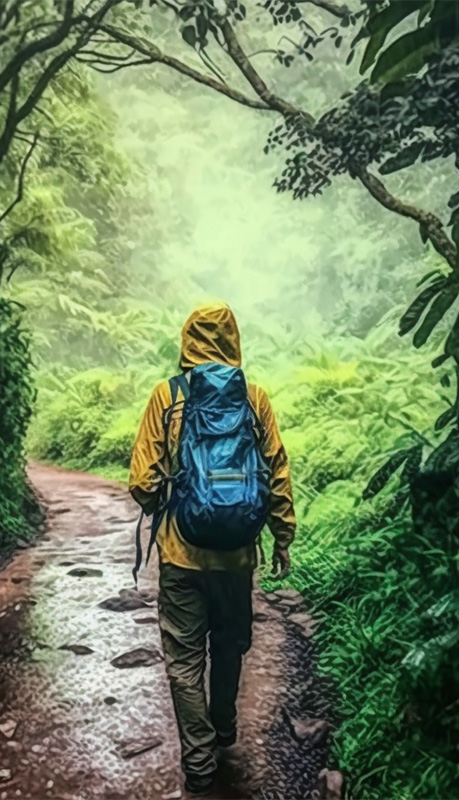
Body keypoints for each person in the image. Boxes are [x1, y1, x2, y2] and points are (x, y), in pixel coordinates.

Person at [128, 302, 296, 796]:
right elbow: (277, 473)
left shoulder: (168, 397)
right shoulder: (255, 398)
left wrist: (171, 498)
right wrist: (281, 536)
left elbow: (141, 482)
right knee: (229, 644)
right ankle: (223, 723)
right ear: (233, 339)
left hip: (182, 554)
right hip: (238, 555)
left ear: (187, 340)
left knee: (183, 659)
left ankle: (199, 761)